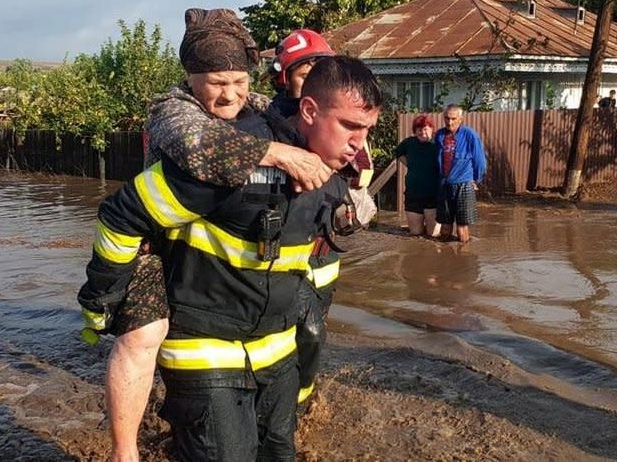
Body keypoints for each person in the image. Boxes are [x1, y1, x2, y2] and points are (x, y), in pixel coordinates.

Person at [79, 52, 382, 460]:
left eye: (367, 130)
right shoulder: (230, 160)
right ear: (309, 110)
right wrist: (103, 298)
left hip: (275, 349)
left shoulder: (332, 170)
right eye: (350, 126)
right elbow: (122, 214)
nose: (358, 145)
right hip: (205, 349)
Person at [267, 29, 374, 406]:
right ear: (285, 77)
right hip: (282, 249)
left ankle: (301, 397)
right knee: (292, 330)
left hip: (323, 249)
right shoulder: (269, 124)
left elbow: (360, 174)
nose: (312, 74)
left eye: (319, 67)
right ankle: (284, 400)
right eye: (303, 69)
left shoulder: (345, 125)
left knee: (313, 330)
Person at [434, 104, 486, 243]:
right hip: (444, 185)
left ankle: (463, 258)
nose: (449, 122)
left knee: (462, 227)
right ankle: (445, 258)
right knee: (444, 226)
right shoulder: (439, 135)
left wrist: (476, 180)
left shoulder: (470, 135)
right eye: (447, 118)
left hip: (463, 184)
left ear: (460, 119)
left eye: (453, 119)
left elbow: (480, 161)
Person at [394, 113, 440, 237]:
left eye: (425, 128)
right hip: (413, 195)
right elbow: (398, 152)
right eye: (418, 129)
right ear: (415, 131)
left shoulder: (438, 142)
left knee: (433, 235)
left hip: (433, 195)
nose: (422, 132)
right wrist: (410, 165)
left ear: (431, 129)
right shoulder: (409, 143)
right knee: (415, 234)